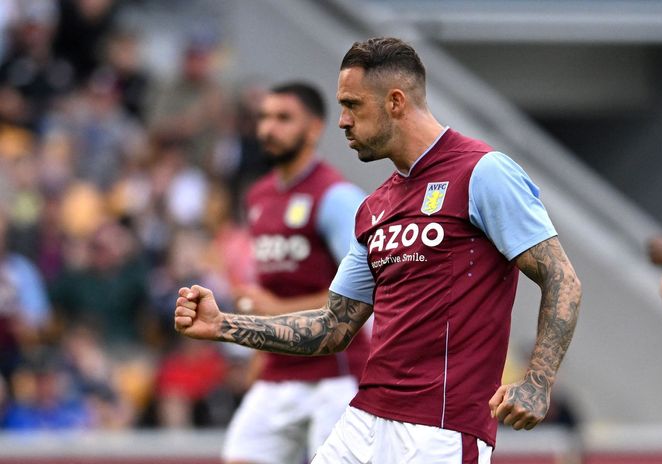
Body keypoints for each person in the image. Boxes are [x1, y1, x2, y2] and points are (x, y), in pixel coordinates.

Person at [175, 37, 582, 463]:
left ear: (395, 102)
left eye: (352, 105)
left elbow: (562, 279)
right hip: (364, 420)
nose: (342, 121)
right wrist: (222, 325)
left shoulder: (482, 172)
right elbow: (333, 326)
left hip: (440, 429)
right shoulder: (375, 206)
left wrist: (538, 381)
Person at [219, 82, 370, 464]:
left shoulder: (335, 196)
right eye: (264, 118)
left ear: (315, 128)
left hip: (335, 375)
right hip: (277, 371)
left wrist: (274, 309)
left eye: (283, 118)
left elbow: (369, 290)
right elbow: (271, 289)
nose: (269, 128)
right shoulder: (258, 197)